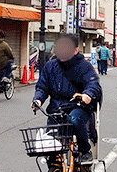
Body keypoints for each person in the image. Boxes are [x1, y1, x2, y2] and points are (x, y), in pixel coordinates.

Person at [32, 33, 102, 163]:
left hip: (78, 106)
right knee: (50, 145)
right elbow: (42, 87)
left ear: (76, 50)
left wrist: (87, 94)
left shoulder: (84, 66)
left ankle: (85, 151)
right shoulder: (50, 66)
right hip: (56, 109)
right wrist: (38, 100)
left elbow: (93, 83)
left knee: (74, 120)